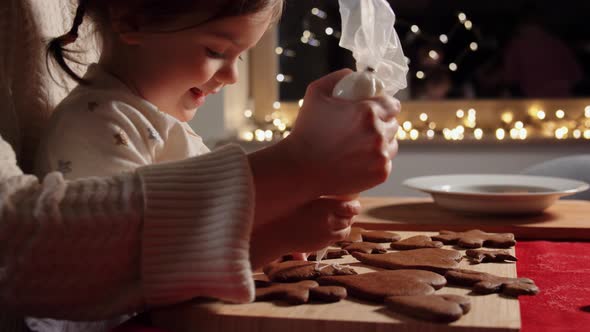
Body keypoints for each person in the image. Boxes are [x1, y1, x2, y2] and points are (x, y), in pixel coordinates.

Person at [0, 1, 401, 332]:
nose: (230, 75)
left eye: (241, 56)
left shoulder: (163, 124)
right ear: (131, 19)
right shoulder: (99, 123)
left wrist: (281, 230)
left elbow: (182, 256)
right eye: (216, 51)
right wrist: (277, 229)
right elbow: (120, 282)